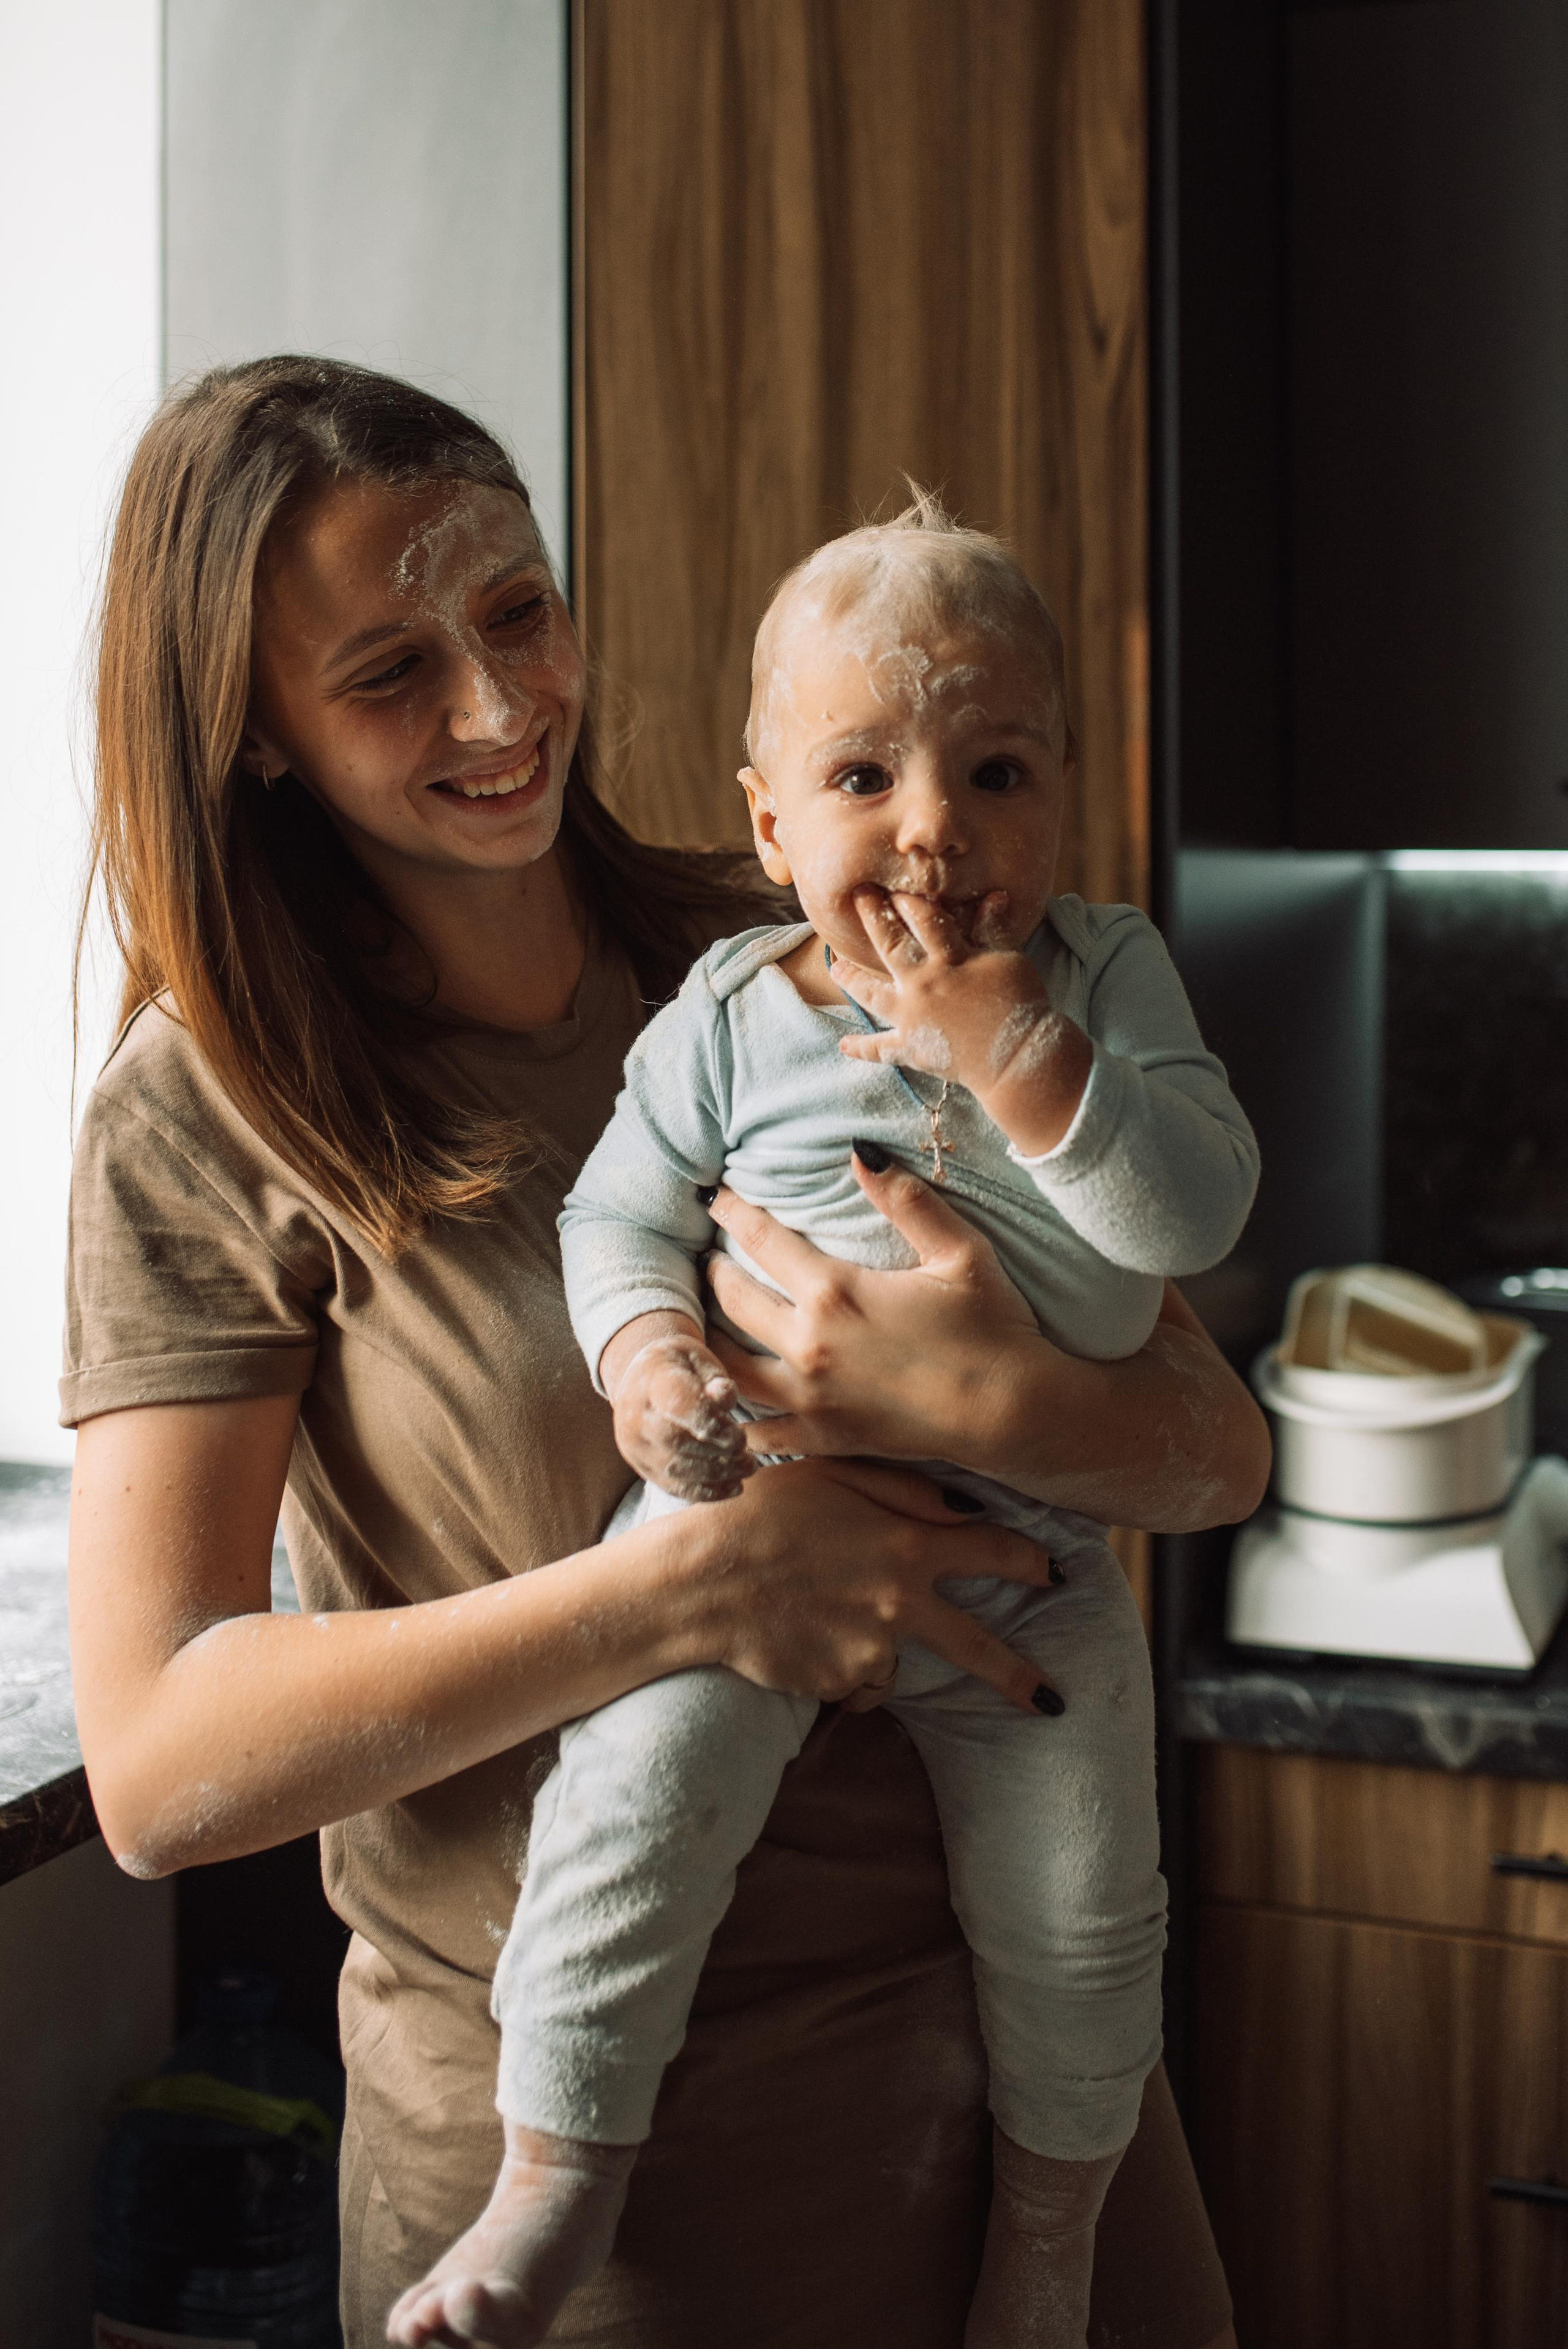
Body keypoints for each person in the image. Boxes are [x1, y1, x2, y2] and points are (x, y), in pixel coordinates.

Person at [66, 357, 1265, 2349]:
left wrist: (983, 1399)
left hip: (1021, 2071)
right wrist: (693, 1585)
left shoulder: (812, 940)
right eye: (391, 671)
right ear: (254, 730)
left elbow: (1217, 1451)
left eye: (517, 612)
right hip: (611, 2194)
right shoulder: (207, 1112)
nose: (498, 707)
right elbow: (161, 1772)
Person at [390, 496, 1260, 2349]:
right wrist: (649, 1366)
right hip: (745, 1511)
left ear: (1064, 795)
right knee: (631, 1806)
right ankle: (555, 2178)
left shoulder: (1104, 978)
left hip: (1034, 1559)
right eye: (866, 775)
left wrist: (1026, 1054)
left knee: (1086, 1907)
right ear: (772, 825)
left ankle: (1051, 2239)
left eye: (995, 770)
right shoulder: (728, 1011)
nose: (936, 826)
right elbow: (616, 1217)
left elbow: (1189, 1219)